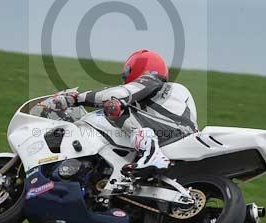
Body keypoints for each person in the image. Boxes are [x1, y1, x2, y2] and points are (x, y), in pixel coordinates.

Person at [43, 49, 198, 173]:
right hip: (176, 134)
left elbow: (119, 94)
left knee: (113, 108)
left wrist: (75, 98)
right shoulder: (158, 93)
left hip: (174, 133)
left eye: (126, 73)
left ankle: (151, 154)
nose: (125, 78)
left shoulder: (151, 80)